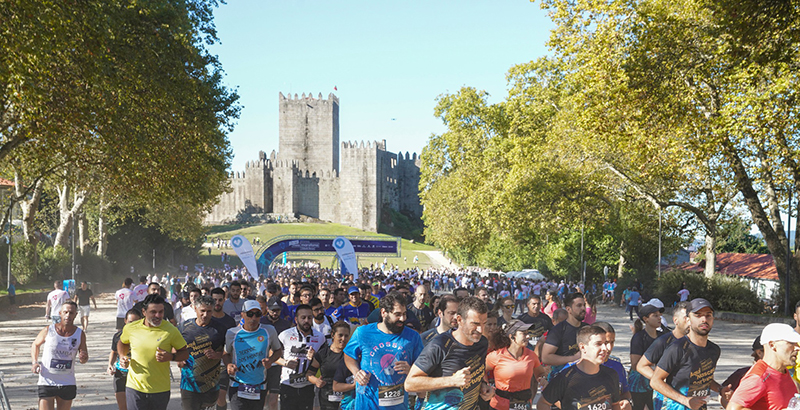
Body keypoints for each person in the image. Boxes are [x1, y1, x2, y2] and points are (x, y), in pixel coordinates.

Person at [405, 296, 496, 409]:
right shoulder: (440, 345)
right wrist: (451, 380)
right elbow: (409, 384)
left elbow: (476, 372)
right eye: (475, 324)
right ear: (459, 320)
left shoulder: (482, 342)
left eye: (484, 323)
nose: (480, 330)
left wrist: (483, 386)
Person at [344, 291, 424, 409]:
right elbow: (349, 355)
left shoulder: (413, 337)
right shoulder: (363, 332)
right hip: (367, 404)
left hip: (398, 404)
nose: (402, 319)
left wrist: (411, 370)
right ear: (384, 313)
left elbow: (423, 368)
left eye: (404, 314)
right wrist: (356, 372)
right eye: (397, 314)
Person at [118, 294, 189, 410]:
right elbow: (122, 342)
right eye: (153, 312)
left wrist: (170, 356)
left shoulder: (171, 330)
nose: (158, 315)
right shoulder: (131, 328)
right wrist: (122, 356)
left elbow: (185, 353)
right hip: (135, 387)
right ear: (144, 312)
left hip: (160, 390)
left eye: (161, 312)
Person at [650, 298, 721, 410]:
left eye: (708, 315)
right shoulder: (677, 348)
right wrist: (686, 401)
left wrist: (720, 389)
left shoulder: (714, 350)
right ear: (688, 319)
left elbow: (705, 378)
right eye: (698, 315)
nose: (704, 319)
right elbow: (655, 381)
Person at [536, 325, 629, 410]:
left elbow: (615, 405)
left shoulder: (611, 374)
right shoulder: (567, 377)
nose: (605, 348)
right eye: (598, 344)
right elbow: (543, 403)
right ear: (583, 347)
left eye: (605, 343)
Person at [223, 300, 280, 410]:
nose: (253, 318)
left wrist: (271, 360)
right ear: (242, 315)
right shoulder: (232, 333)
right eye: (250, 314)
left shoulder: (269, 331)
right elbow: (225, 353)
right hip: (237, 385)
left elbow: (278, 351)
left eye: (257, 314)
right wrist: (228, 364)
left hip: (259, 386)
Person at [31, 301, 89, 410]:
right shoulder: (49, 330)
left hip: (67, 381)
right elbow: (35, 344)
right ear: (60, 313)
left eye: (71, 313)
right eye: (65, 312)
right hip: (47, 380)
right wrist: (34, 362)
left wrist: (83, 357)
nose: (68, 315)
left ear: (76, 314)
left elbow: (83, 358)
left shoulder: (79, 334)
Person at [727, 324, 800, 410]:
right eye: (791, 343)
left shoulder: (783, 371)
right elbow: (733, 408)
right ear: (772, 345)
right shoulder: (759, 376)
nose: (797, 348)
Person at [635, 301, 691, 410]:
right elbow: (640, 366)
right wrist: (659, 379)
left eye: (692, 317)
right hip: (667, 398)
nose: (690, 322)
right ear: (676, 320)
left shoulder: (696, 342)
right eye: (686, 317)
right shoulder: (664, 341)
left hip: (691, 396)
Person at [179, 295, 228, 410]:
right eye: (202, 311)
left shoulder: (220, 329)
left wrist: (217, 355)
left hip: (210, 384)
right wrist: (179, 358)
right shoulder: (184, 327)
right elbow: (174, 347)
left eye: (209, 311)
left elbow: (229, 352)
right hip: (188, 383)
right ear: (195, 309)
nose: (205, 315)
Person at [485, 320, 547, 410]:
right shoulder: (496, 356)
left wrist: (543, 379)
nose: (528, 336)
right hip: (499, 406)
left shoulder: (531, 355)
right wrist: (486, 385)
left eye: (528, 333)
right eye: (524, 333)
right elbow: (481, 371)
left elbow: (540, 373)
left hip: (523, 404)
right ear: (512, 336)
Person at [276, 304, 326, 410]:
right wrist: (285, 363)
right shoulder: (285, 335)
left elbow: (325, 360)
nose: (306, 320)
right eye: (303, 318)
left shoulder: (320, 337)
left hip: (307, 386)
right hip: (288, 385)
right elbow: (272, 355)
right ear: (296, 319)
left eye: (309, 317)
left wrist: (315, 357)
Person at [307, 321, 352, 410]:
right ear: (333, 335)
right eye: (340, 335)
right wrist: (316, 381)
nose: (343, 339)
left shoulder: (352, 354)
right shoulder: (323, 354)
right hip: (327, 396)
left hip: (348, 396)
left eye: (346, 336)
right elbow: (309, 374)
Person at [628, 305, 666, 410]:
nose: (659, 318)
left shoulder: (664, 336)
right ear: (646, 319)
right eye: (655, 315)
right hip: (639, 384)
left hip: (658, 381)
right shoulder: (638, 338)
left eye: (660, 315)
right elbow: (635, 365)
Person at [541, 292, 587, 379]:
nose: (583, 308)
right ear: (568, 309)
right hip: (562, 379)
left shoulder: (587, 328)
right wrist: (574, 358)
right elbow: (546, 357)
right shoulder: (558, 330)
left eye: (584, 305)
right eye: (579, 305)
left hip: (583, 378)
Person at [108, 309, 142, 410]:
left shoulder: (144, 337)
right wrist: (110, 364)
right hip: (120, 373)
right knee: (123, 407)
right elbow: (113, 352)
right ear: (125, 321)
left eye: (136, 322)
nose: (133, 325)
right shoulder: (118, 336)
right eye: (131, 322)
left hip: (137, 375)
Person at [718, 336, 764, 408]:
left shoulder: (786, 374)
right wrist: (728, 398)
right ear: (759, 353)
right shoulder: (743, 374)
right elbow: (722, 396)